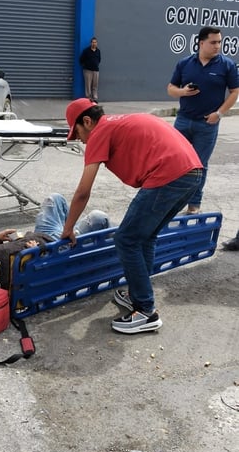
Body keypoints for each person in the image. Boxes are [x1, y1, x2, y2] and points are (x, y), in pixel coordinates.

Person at [60, 98, 203, 334]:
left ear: (87, 121)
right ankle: (138, 296)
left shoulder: (99, 132)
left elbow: (83, 191)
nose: (81, 141)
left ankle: (146, 310)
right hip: (191, 173)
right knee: (145, 238)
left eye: (77, 134)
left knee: (126, 239)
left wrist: (68, 228)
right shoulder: (118, 123)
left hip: (169, 174)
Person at [0, 192, 111, 289]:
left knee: (54, 198)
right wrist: (37, 253)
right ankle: (112, 248)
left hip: (40, 234)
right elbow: (36, 276)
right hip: (55, 247)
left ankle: (73, 231)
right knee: (98, 217)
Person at [167, 26, 239, 214]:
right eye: (213, 42)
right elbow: (170, 88)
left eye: (219, 42)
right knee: (175, 161)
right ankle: (170, 202)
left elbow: (235, 92)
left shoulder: (227, 65)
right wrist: (183, 92)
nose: (218, 46)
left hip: (207, 124)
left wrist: (220, 113)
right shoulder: (185, 63)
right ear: (201, 43)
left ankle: (193, 205)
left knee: (199, 165)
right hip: (183, 121)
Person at [79, 37, 101, 102]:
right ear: (91, 43)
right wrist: (86, 66)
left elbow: (99, 60)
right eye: (93, 42)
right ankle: (88, 99)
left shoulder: (98, 51)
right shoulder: (86, 51)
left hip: (96, 71)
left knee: (95, 85)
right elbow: (81, 60)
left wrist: (95, 65)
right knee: (88, 85)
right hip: (88, 71)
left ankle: (94, 98)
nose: (94, 43)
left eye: (95, 42)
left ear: (97, 43)